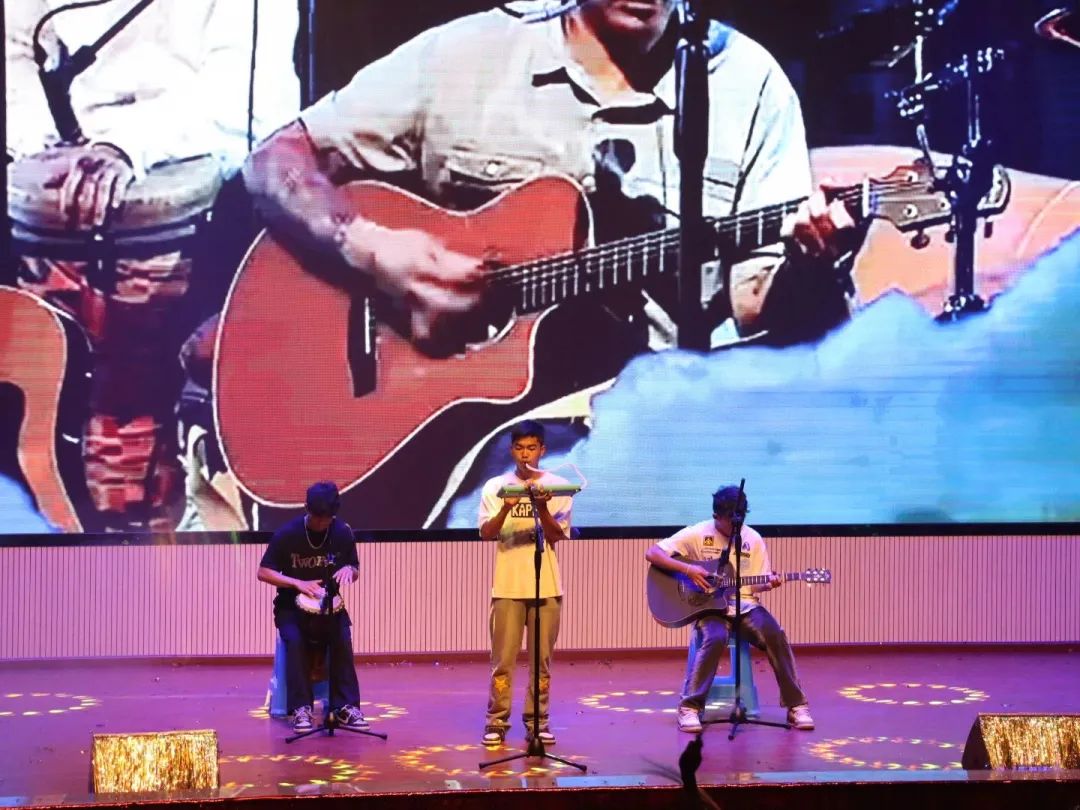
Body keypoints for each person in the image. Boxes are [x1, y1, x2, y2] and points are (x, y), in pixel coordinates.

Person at [239, 0, 864, 528]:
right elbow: (277, 160)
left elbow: (754, 301)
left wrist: (814, 262)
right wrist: (376, 251)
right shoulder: (470, 56)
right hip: (473, 451)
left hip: (650, 443)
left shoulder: (748, 84)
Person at [4, 0, 300, 530]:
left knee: (155, 396)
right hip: (71, 143)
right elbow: (12, 45)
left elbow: (244, 96)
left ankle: (182, 490)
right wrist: (41, 144)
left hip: (202, 154)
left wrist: (126, 147)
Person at [644, 485, 814, 732]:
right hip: (710, 608)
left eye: (740, 520)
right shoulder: (698, 533)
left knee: (775, 635)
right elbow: (653, 553)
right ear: (716, 516)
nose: (736, 526)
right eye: (730, 521)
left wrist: (769, 583)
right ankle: (689, 707)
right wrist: (689, 570)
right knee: (714, 637)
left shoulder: (753, 539)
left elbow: (757, 584)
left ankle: (796, 705)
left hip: (745, 605)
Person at [478, 420, 573, 746]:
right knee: (502, 662)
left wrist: (542, 507)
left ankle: (537, 721)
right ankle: (496, 722)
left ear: (542, 450)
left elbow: (557, 535)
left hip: (546, 586)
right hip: (507, 587)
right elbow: (486, 533)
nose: (525, 454)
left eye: (531, 448)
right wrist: (505, 510)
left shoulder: (558, 487)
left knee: (541, 663)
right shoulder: (496, 486)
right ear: (511, 450)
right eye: (519, 448)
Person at [256, 481, 369, 732]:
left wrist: (349, 571)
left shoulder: (342, 532)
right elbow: (263, 572)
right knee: (296, 641)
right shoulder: (288, 533)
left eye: (326, 519)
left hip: (329, 607)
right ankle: (301, 709)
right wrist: (297, 583)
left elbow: (354, 568)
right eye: (317, 518)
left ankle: (345, 707)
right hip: (291, 608)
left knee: (342, 637)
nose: (320, 524)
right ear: (306, 508)